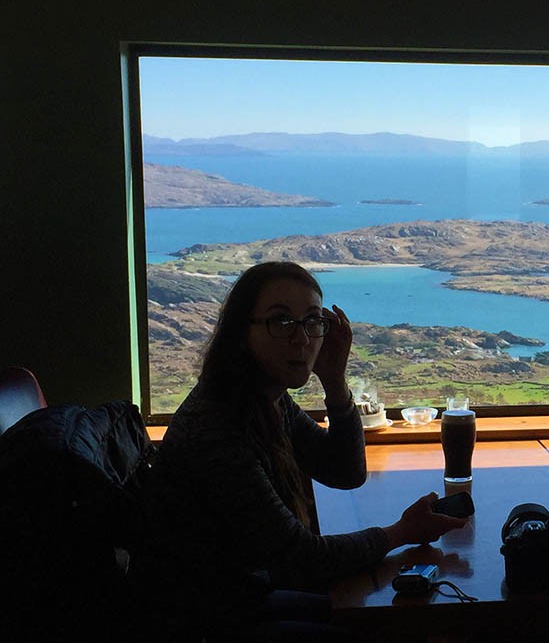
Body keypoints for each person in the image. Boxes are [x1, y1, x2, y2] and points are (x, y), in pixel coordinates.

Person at [133, 261, 466, 642]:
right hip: (201, 622)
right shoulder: (217, 425)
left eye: (312, 321)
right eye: (281, 321)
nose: (303, 339)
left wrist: (335, 381)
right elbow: (303, 558)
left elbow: (344, 470)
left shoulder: (265, 398)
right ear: (243, 333)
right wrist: (403, 531)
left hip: (238, 598)